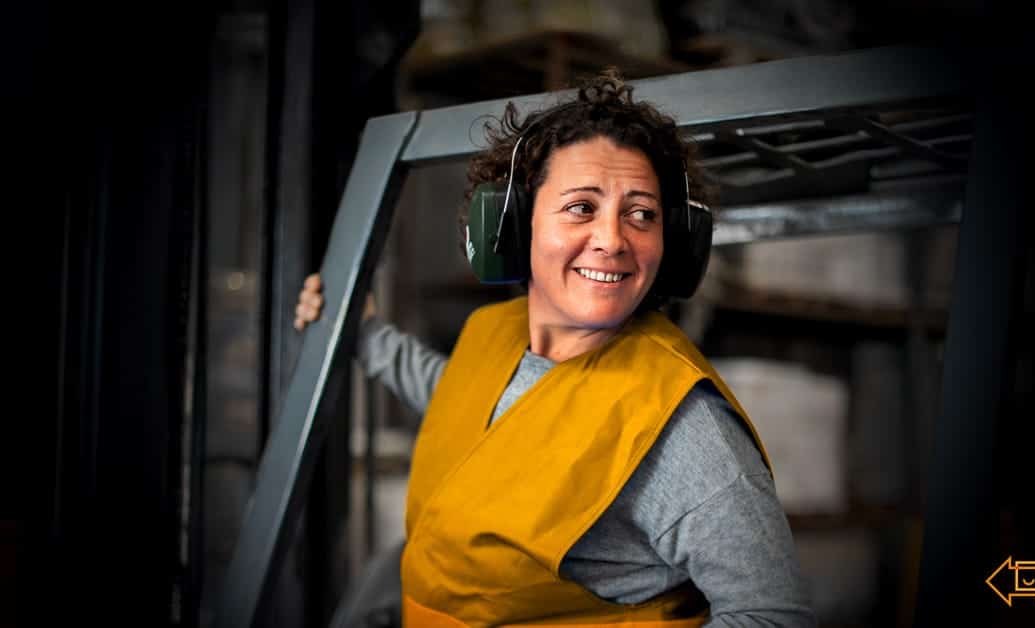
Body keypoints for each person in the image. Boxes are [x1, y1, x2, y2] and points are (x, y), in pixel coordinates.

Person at [295, 70, 816, 627]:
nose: (614, 239)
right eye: (581, 207)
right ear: (514, 224)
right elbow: (459, 403)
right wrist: (356, 329)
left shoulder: (681, 423)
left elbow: (771, 617)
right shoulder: (492, 334)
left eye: (642, 214)